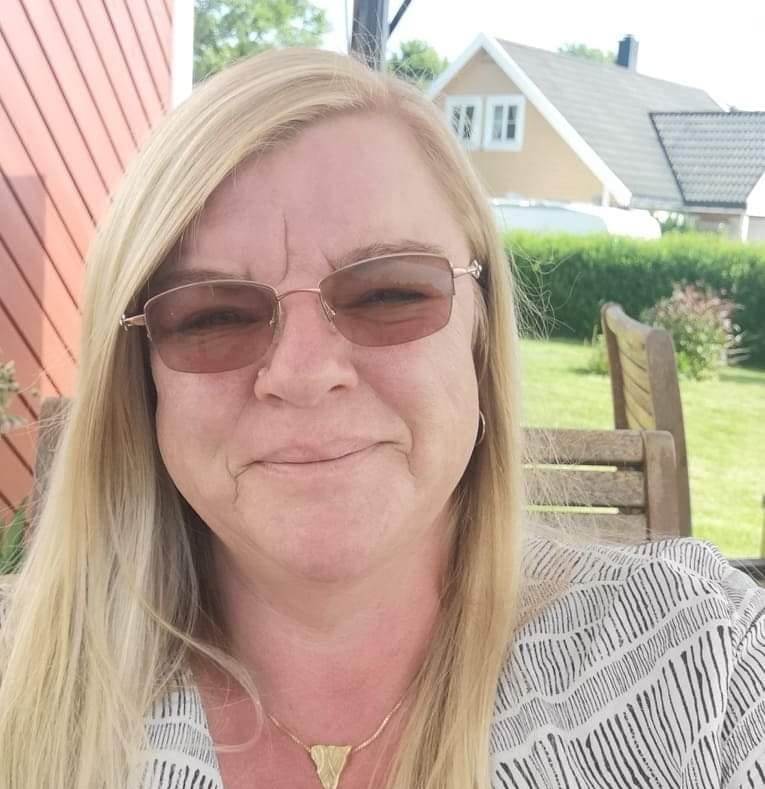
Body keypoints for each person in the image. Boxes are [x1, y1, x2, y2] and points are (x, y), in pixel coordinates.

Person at [0, 47, 762, 789]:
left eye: (388, 294)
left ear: (480, 335)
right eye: (212, 316)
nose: (302, 374)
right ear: (140, 379)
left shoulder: (705, 657)